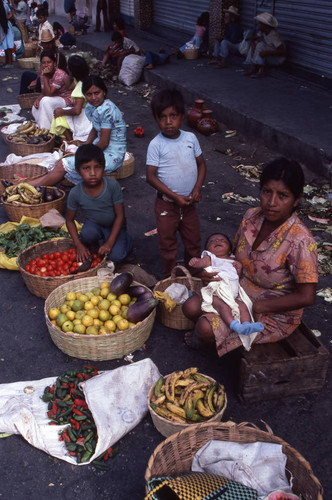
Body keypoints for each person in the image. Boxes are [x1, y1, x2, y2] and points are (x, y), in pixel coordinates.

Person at [183, 158, 318, 354]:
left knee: (204, 329)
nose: (271, 203)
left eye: (283, 195)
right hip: (237, 291)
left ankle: (210, 335)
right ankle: (215, 330)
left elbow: (307, 296)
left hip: (271, 311)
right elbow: (233, 257)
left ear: (296, 200)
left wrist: (262, 306)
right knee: (190, 307)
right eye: (266, 192)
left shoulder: (301, 240)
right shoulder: (251, 217)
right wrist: (209, 271)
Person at [146, 88, 207, 278]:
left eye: (173, 115)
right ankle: (170, 278)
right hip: (167, 204)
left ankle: (194, 276)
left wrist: (197, 189)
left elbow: (201, 165)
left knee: (193, 241)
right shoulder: (156, 144)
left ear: (182, 116)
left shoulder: (190, 139)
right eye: (162, 117)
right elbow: (151, 176)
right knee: (168, 244)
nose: (168, 121)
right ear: (156, 119)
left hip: (189, 203)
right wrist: (174, 196)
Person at [29, 75, 127, 186]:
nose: (94, 97)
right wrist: (86, 144)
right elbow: (95, 128)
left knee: (63, 163)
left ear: (104, 92)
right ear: (85, 95)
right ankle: (25, 185)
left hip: (112, 154)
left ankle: (34, 186)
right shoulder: (93, 106)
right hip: (101, 148)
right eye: (89, 94)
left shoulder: (106, 110)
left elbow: (104, 142)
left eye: (97, 93)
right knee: (62, 164)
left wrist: (84, 152)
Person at [66, 144, 132, 264]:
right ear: (78, 171)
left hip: (115, 225)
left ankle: (126, 241)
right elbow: (69, 220)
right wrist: (78, 244)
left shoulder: (112, 186)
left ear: (104, 167)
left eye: (97, 167)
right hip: (94, 224)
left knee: (116, 257)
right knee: (86, 234)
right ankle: (96, 245)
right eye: (86, 168)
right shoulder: (75, 193)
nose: (92, 173)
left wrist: (110, 243)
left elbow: (120, 216)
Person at [189, 233, 265, 337]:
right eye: (212, 241)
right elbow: (202, 263)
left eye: (222, 240)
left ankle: (246, 325)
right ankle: (235, 326)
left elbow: (236, 276)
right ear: (208, 250)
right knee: (223, 307)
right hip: (217, 293)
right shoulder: (211, 258)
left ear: (229, 250)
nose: (217, 241)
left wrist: (239, 269)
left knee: (242, 306)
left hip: (232, 294)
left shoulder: (233, 260)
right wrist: (197, 262)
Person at [50, 54, 92, 142]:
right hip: (88, 111)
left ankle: (69, 143)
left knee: (58, 117)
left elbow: (77, 110)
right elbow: (68, 87)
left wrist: (62, 111)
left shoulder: (80, 87)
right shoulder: (83, 79)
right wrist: (70, 74)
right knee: (60, 114)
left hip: (86, 115)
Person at [32, 50, 73, 130]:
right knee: (35, 107)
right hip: (54, 98)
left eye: (49, 62)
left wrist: (46, 77)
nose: (46, 65)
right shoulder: (43, 74)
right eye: (43, 63)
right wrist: (38, 99)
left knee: (45, 101)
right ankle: (43, 127)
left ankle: (48, 130)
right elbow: (44, 92)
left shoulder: (59, 74)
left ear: (54, 63)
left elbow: (49, 93)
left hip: (66, 100)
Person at [19, 29, 67, 95]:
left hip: (55, 80)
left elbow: (57, 74)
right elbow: (41, 69)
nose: (47, 45)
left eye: (49, 43)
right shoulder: (43, 52)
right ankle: (24, 97)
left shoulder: (58, 55)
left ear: (52, 43)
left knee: (39, 82)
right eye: (45, 43)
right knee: (26, 75)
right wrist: (36, 80)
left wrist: (41, 79)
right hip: (45, 76)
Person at [244, 12, 286, 78]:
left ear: (266, 26)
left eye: (261, 24)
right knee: (257, 44)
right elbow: (254, 38)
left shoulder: (274, 35)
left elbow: (282, 51)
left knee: (260, 45)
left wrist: (267, 52)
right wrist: (253, 43)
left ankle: (261, 70)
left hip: (277, 59)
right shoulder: (263, 32)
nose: (259, 25)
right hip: (268, 54)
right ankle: (254, 67)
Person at [0, 0, 14, 69]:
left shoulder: (4, 5)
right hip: (2, 26)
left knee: (8, 44)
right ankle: (6, 61)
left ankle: (9, 62)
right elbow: (10, 13)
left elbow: (10, 13)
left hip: (5, 26)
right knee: (5, 45)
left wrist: (5, 19)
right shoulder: (4, 4)